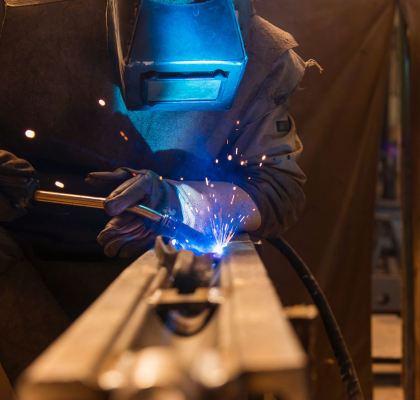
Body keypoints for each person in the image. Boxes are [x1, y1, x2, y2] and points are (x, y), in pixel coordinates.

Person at [0, 0, 307, 384]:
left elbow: (276, 188)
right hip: (22, 263)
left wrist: (180, 202)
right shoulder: (22, 16)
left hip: (156, 263)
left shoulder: (261, 55)